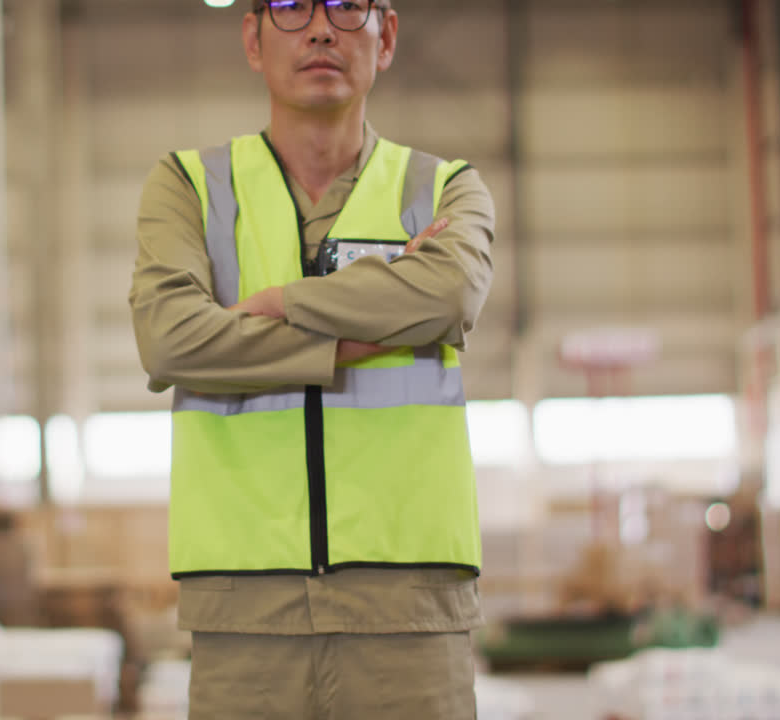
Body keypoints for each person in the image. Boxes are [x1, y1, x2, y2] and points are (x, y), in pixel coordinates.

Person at [129, 1, 496, 717]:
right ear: (252, 38)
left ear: (385, 35)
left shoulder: (445, 188)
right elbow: (170, 338)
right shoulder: (190, 187)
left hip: (411, 602)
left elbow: (450, 293)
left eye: (347, 6)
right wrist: (367, 330)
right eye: (292, 6)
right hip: (243, 607)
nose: (322, 28)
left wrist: (275, 304)